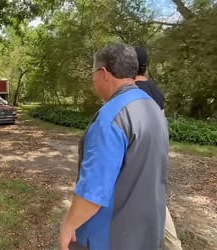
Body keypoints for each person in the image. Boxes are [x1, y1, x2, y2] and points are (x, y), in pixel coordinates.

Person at [59, 43, 169, 250]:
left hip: (108, 238)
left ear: (103, 73)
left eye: (93, 73)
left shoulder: (109, 119)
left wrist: (68, 225)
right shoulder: (152, 107)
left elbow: (93, 192)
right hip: (148, 233)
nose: (92, 80)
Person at [134, 46, 183, 250]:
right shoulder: (156, 90)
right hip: (157, 153)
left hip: (139, 155)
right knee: (154, 199)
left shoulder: (132, 91)